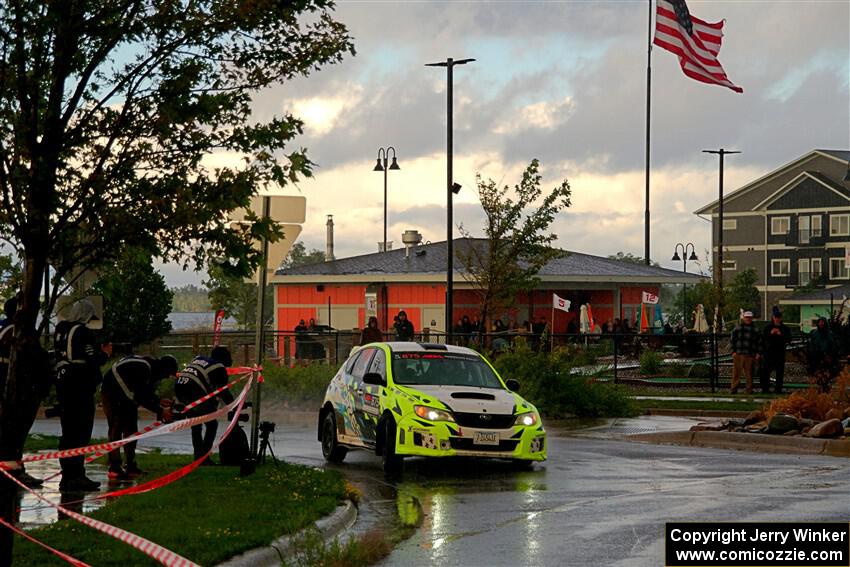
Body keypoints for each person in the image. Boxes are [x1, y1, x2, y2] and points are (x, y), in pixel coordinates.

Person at [54, 299, 110, 491]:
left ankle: (67, 475)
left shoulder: (60, 330)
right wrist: (104, 355)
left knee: (68, 432)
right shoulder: (83, 332)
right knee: (80, 431)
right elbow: (91, 358)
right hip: (80, 386)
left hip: (63, 384)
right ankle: (76, 475)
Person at [0, 296, 52, 488]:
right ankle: (13, 471)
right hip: (16, 391)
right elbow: (36, 360)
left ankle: (12, 468)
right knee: (14, 432)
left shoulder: (3, 329)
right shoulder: (17, 332)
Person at [101, 355, 178, 480]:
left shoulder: (150, 368)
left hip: (126, 394)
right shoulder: (143, 368)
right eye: (166, 375)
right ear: (163, 369)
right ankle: (114, 467)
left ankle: (130, 466)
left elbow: (145, 392)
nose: (164, 378)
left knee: (131, 430)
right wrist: (160, 411)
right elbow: (141, 396)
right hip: (111, 392)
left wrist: (158, 401)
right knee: (116, 427)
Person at [174, 346, 235, 462]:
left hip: (179, 387)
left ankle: (198, 455)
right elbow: (223, 392)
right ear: (224, 358)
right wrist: (234, 405)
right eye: (229, 357)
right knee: (212, 425)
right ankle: (203, 457)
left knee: (196, 424)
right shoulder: (219, 366)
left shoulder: (199, 358)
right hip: (194, 390)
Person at [761, 307, 792, 394]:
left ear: (781, 318)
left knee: (779, 373)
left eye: (779, 317)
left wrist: (780, 334)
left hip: (780, 353)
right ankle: (765, 389)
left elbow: (789, 339)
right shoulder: (767, 328)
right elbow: (763, 339)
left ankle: (778, 390)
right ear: (773, 317)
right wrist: (771, 334)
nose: (777, 319)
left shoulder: (785, 329)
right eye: (776, 317)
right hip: (769, 353)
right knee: (766, 372)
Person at [730, 310, 761, 395]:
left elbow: (759, 342)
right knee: (736, 373)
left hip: (750, 354)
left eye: (749, 317)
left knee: (749, 374)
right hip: (738, 353)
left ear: (752, 318)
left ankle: (749, 390)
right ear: (743, 318)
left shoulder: (756, 330)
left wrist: (758, 353)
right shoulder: (737, 328)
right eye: (746, 317)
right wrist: (733, 352)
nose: (748, 319)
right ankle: (733, 389)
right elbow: (732, 340)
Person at [807, 317, 838, 383]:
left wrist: (829, 355)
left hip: (827, 356)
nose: (821, 323)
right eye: (820, 322)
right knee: (817, 373)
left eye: (822, 322)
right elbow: (812, 345)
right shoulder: (814, 333)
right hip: (816, 356)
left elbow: (833, 345)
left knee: (826, 373)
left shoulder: (830, 333)